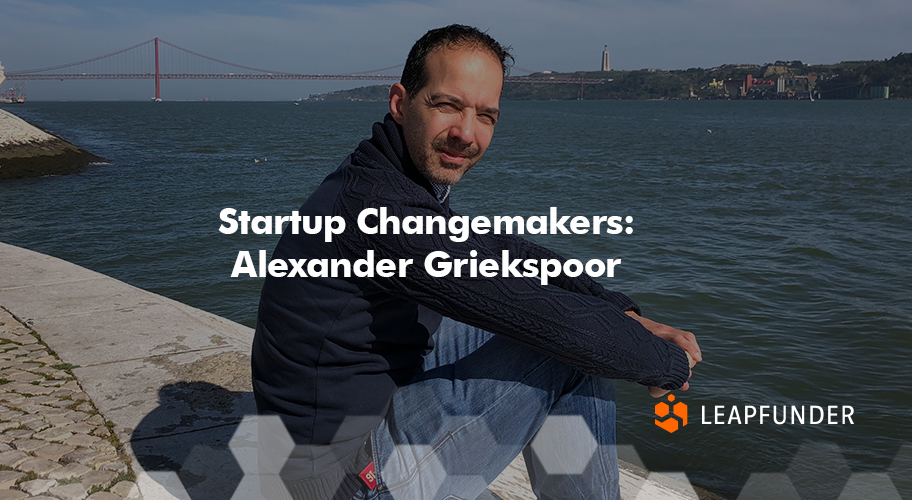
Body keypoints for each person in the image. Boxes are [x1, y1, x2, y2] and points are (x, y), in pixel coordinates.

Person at [251, 24, 701, 500]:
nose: (466, 133)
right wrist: (665, 365)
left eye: (486, 115)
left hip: (336, 427)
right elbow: (544, 316)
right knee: (570, 343)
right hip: (340, 477)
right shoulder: (376, 210)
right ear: (401, 103)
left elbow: (500, 252)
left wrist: (622, 311)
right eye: (448, 105)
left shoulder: (388, 174)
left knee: (579, 323)